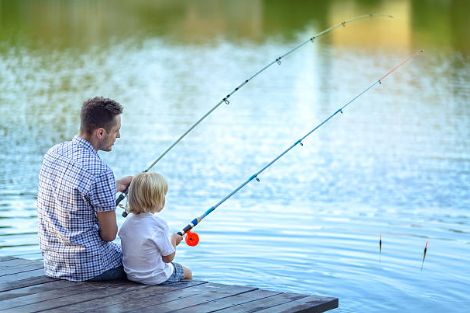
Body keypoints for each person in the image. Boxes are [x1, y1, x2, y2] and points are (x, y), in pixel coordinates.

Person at [37, 96, 132, 281]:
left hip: (53, 263)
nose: (118, 136)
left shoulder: (53, 153)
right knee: (148, 261)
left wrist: (116, 185)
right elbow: (109, 235)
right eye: (116, 131)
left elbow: (74, 193)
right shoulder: (100, 171)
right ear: (101, 133)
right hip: (89, 267)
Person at [118, 172, 192, 285]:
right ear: (157, 199)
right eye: (163, 195)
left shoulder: (128, 221)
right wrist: (173, 239)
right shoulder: (158, 224)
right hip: (156, 277)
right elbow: (168, 258)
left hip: (132, 275)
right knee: (188, 272)